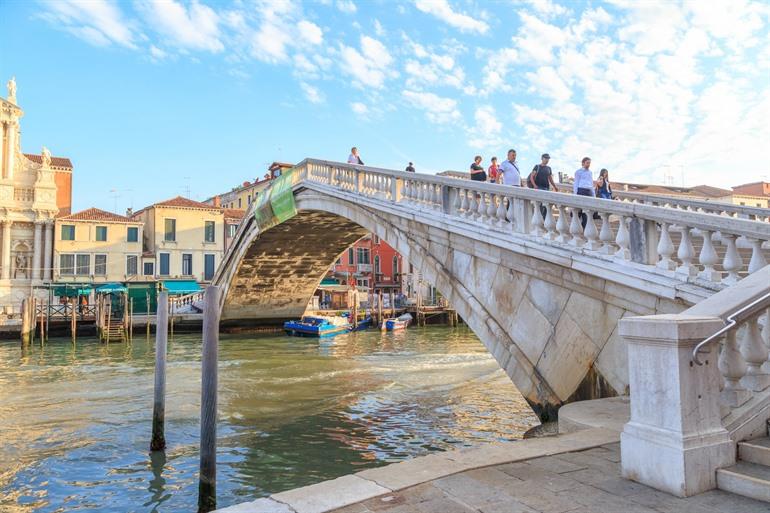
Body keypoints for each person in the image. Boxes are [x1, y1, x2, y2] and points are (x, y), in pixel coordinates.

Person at [573, 157, 595, 228]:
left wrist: (593, 195)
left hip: (589, 192)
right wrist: (575, 194)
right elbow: (576, 183)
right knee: (579, 211)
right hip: (581, 191)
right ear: (583, 163)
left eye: (589, 163)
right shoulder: (578, 172)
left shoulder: (590, 172)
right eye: (587, 163)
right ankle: (575, 227)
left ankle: (584, 228)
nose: (589, 164)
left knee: (587, 211)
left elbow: (591, 184)